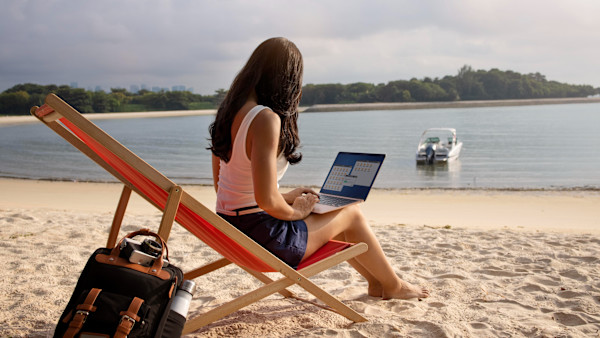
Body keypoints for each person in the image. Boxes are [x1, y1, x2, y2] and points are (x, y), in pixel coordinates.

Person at [208, 37, 429, 300]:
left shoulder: (228, 113)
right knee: (351, 213)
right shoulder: (265, 118)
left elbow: (225, 187)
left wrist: (288, 197)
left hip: (233, 232)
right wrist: (294, 212)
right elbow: (265, 200)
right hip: (266, 240)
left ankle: (377, 282)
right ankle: (394, 285)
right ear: (286, 79)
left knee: (336, 212)